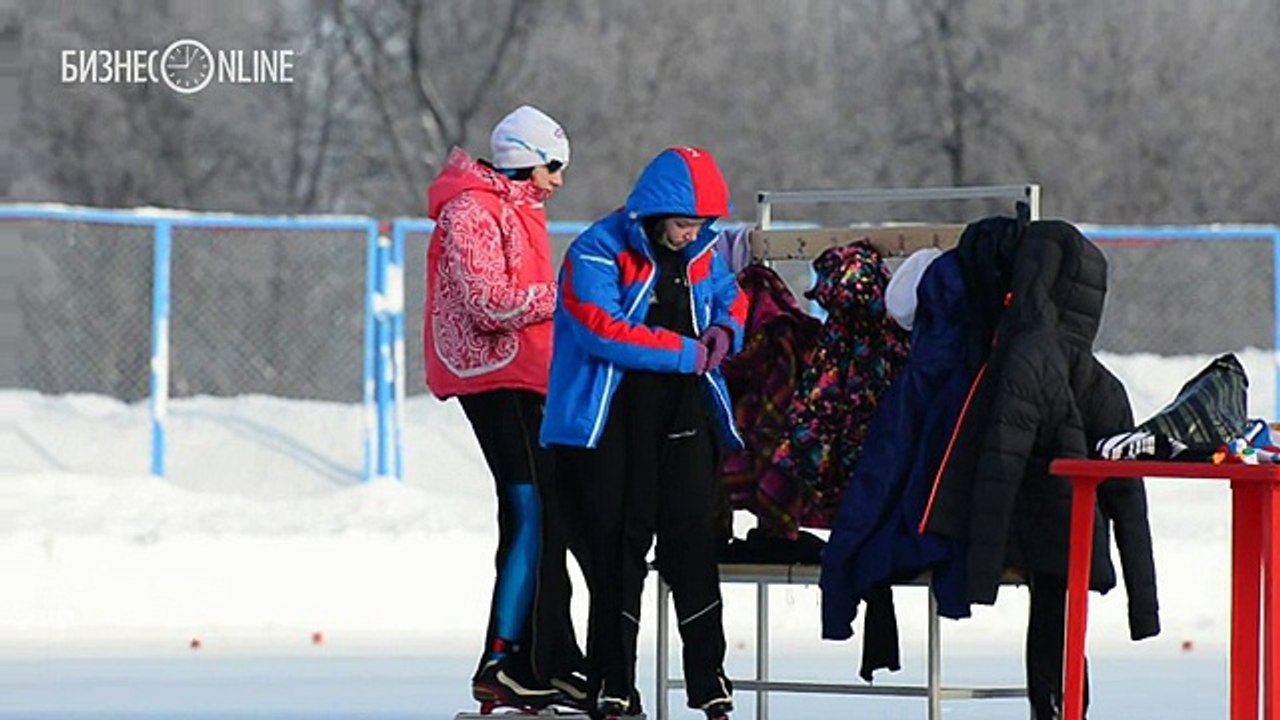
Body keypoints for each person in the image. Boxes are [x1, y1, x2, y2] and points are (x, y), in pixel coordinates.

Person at [540, 146, 748, 720]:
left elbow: (730, 296)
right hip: (606, 424)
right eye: (683, 224)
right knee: (617, 553)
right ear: (657, 213)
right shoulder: (596, 251)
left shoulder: (702, 252)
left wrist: (727, 330)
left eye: (700, 226)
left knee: (691, 546)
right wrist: (686, 352)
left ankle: (710, 680)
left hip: (681, 417)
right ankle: (613, 681)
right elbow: (602, 329)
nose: (690, 236)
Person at [423, 105, 588, 711]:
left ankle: (552, 657)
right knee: (527, 506)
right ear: (525, 160)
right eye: (552, 166)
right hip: (492, 377)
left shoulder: (518, 209)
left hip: (525, 375)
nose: (558, 180)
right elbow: (489, 303)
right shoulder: (470, 209)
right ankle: (503, 657)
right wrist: (567, 294)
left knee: (548, 509)